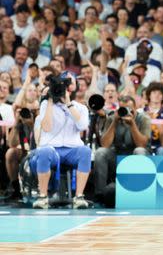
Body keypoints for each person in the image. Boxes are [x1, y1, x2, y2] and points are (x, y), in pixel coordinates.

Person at [30, 73, 90, 209]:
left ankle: (79, 197)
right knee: (44, 151)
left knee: (85, 151)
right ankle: (43, 197)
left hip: (72, 149)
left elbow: (82, 126)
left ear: (72, 88)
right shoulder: (46, 104)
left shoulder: (80, 107)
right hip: (51, 149)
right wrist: (50, 100)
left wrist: (68, 104)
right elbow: (46, 126)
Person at [94, 95, 151, 207]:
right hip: (118, 157)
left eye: (130, 109)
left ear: (135, 108)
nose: (126, 112)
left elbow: (142, 144)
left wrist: (132, 124)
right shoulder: (112, 118)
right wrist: (114, 122)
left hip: (137, 157)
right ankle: (100, 196)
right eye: (123, 109)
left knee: (139, 151)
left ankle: (139, 194)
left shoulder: (143, 119)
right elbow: (105, 144)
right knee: (100, 152)